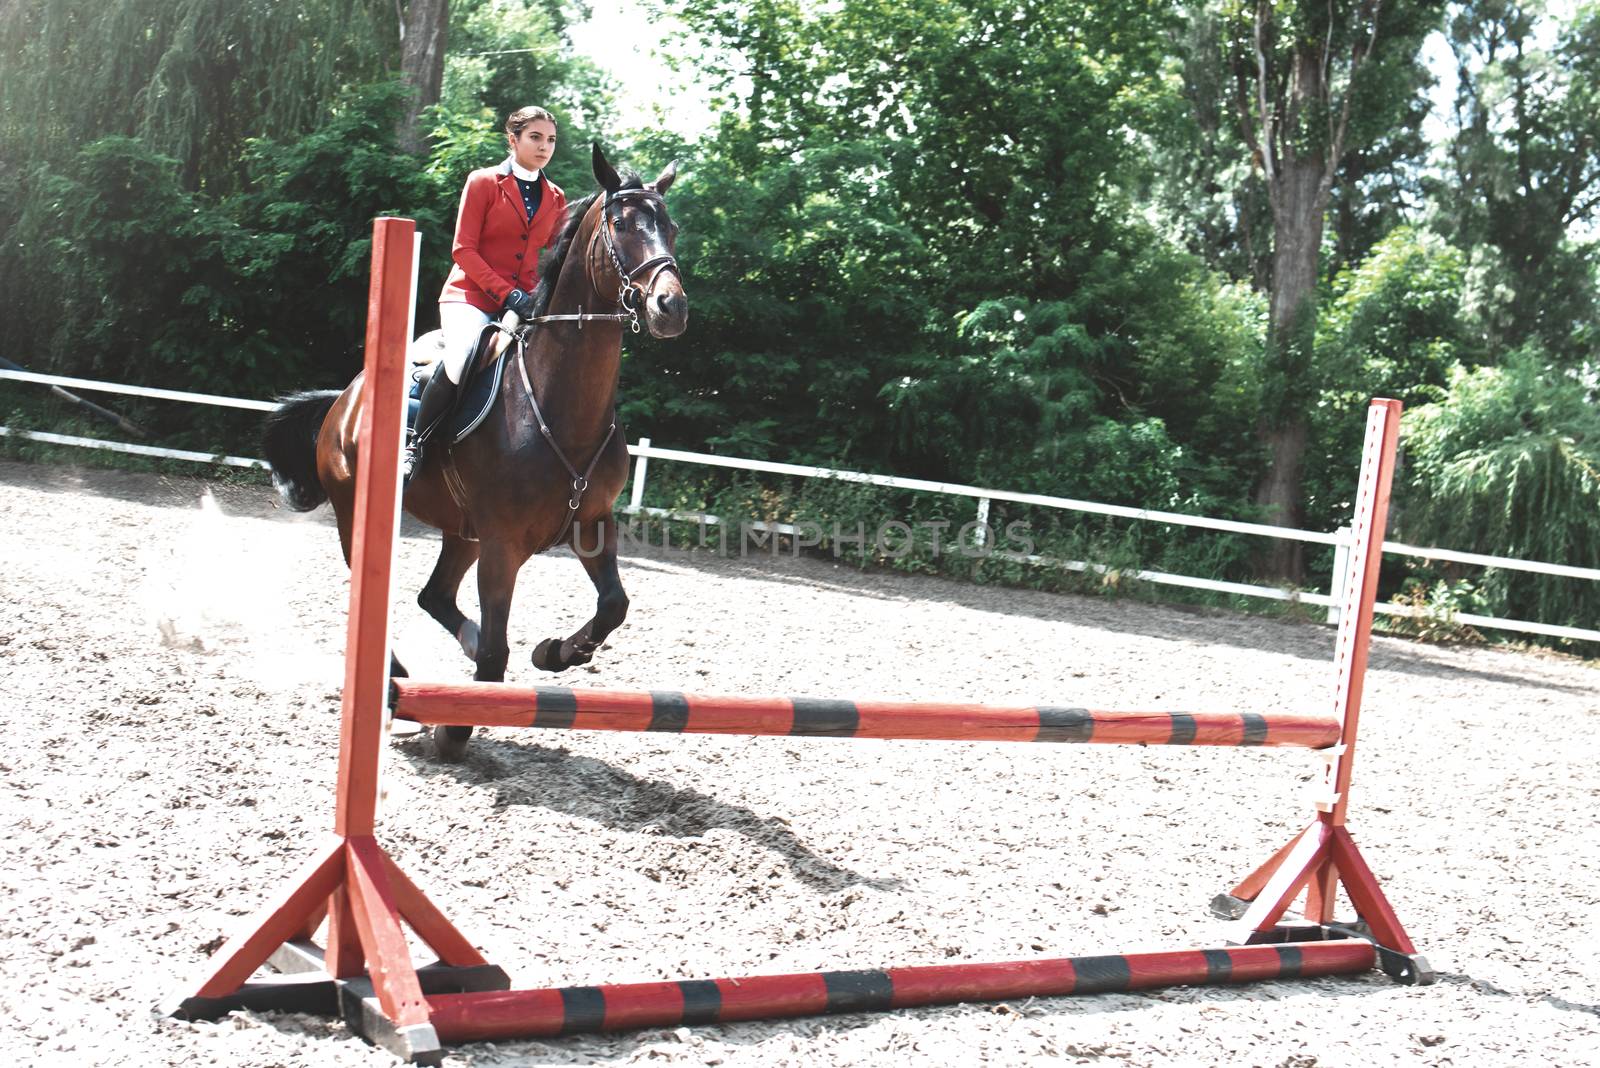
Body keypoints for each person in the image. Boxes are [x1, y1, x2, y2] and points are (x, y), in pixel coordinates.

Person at [404, 105, 569, 486]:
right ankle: (416, 445)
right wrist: (506, 293)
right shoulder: (483, 182)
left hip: (524, 302)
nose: (545, 146)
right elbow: (463, 250)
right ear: (513, 140)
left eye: (551, 140)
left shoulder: (556, 197)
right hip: (470, 295)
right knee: (461, 357)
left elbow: (554, 257)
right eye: (535, 137)